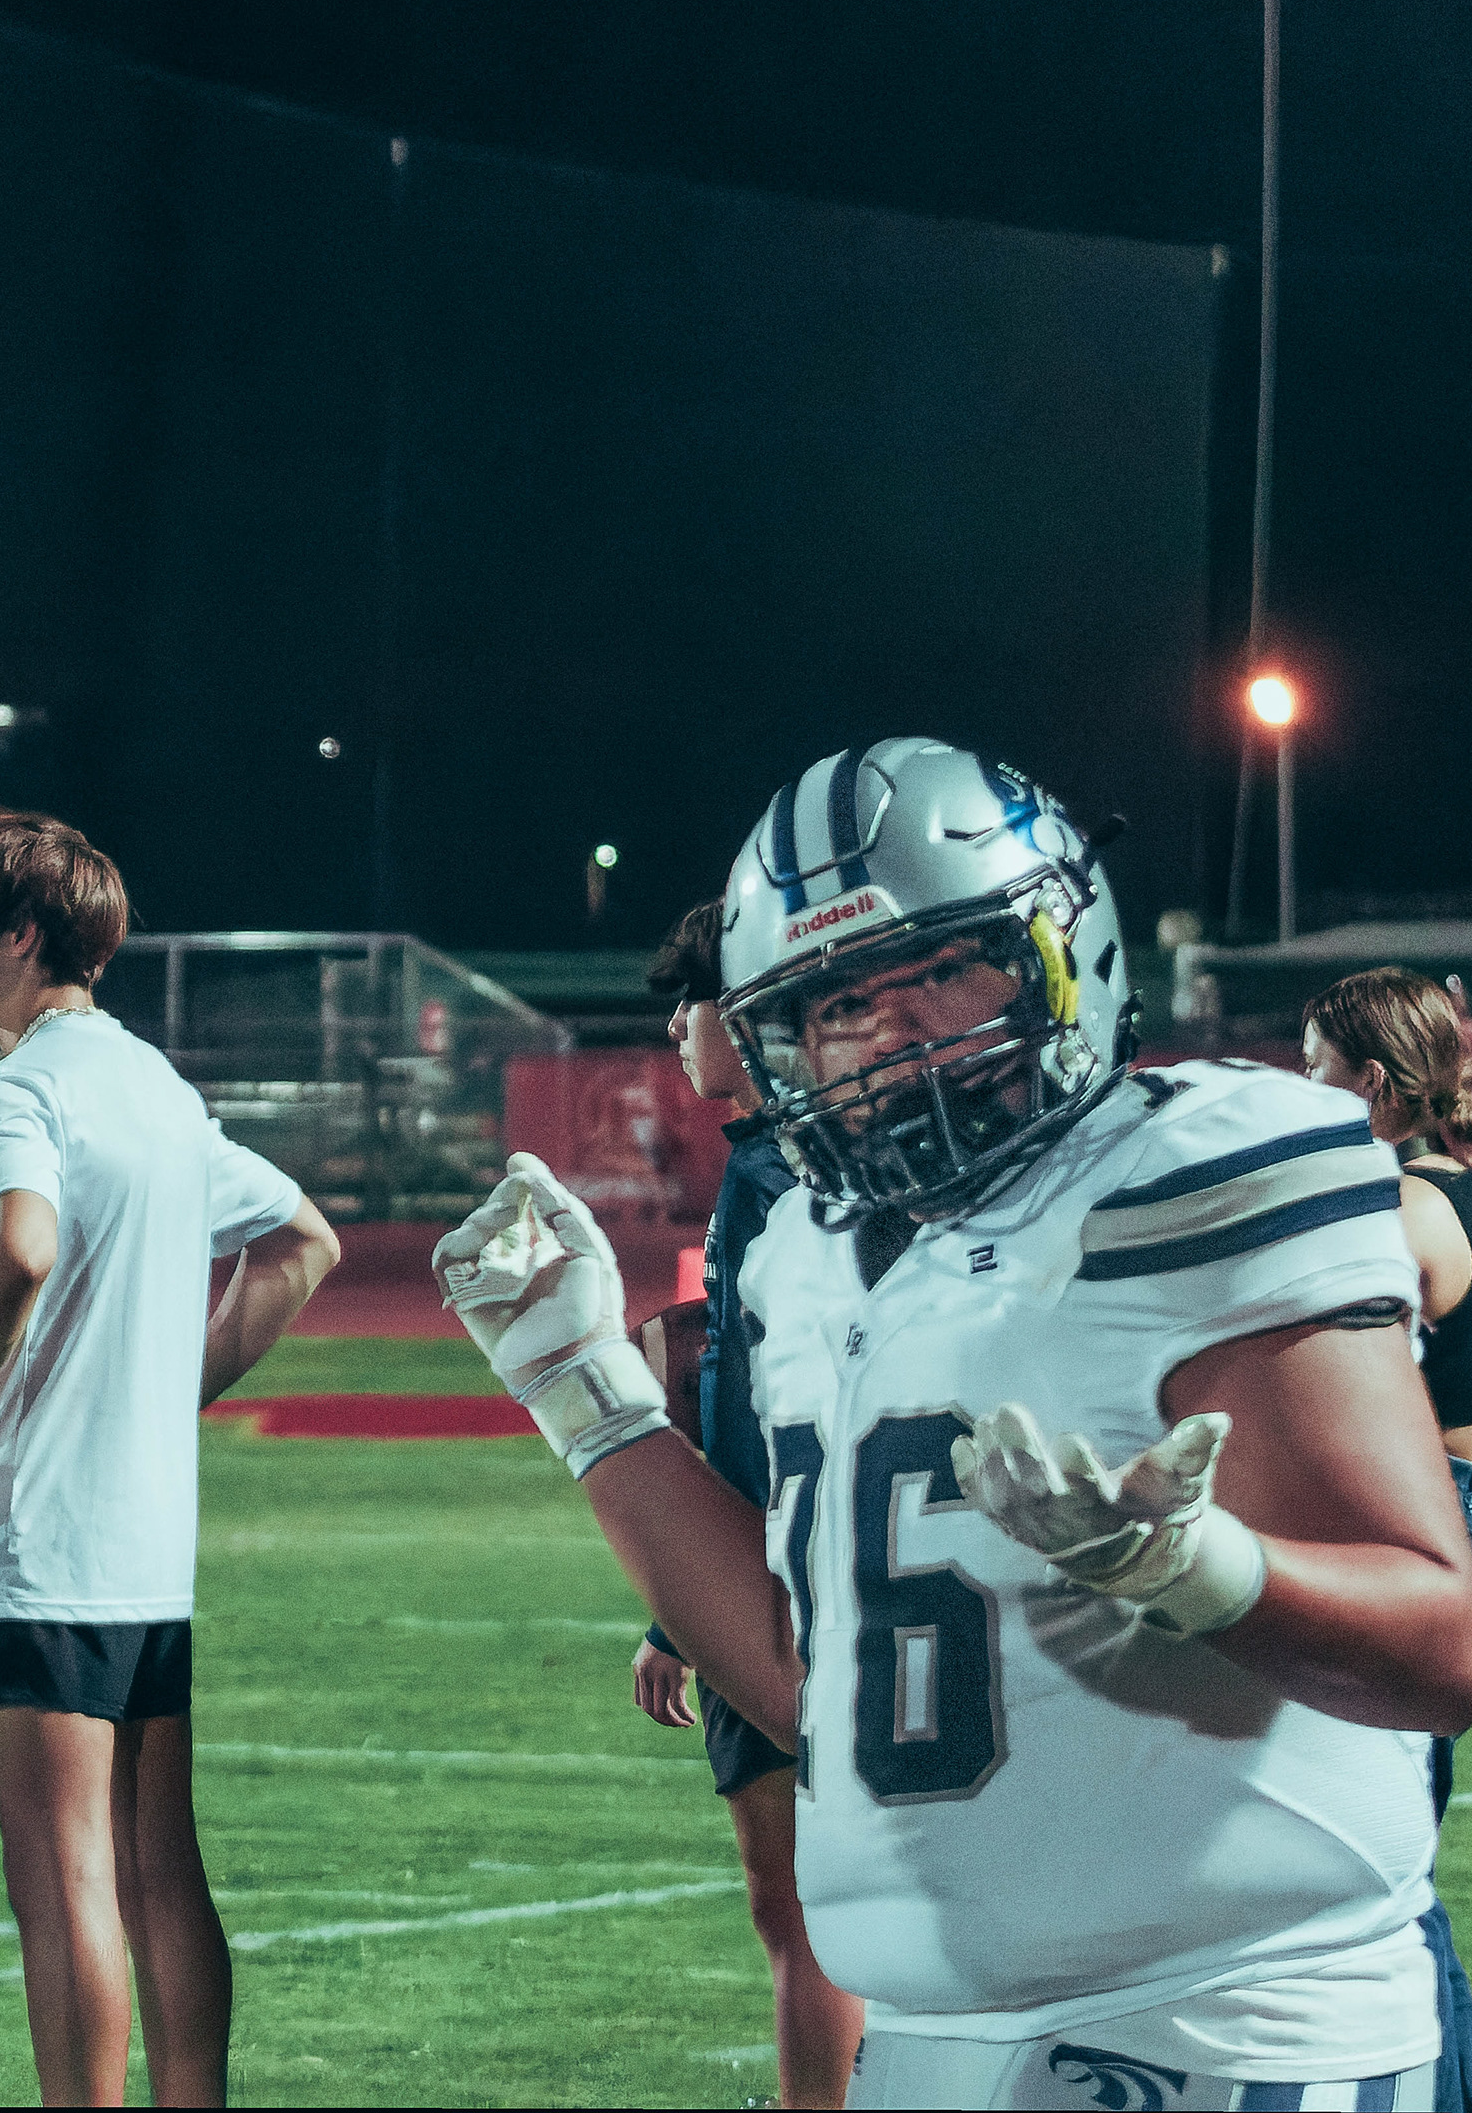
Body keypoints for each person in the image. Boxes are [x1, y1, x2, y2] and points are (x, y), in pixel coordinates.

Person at [444, 737, 1472, 2108]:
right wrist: (578, 1380)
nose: (889, 1034)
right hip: (925, 2041)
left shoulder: (1205, 1163)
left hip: (1234, 2032)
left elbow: (1441, 1652)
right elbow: (809, 1686)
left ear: (1061, 950)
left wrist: (1192, 1567)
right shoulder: (807, 1250)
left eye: (942, 970)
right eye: (836, 1002)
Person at [0, 807, 345, 2107]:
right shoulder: (155, 1086)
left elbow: (20, 1248)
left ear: (20, 936)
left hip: (46, 1541)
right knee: (159, 1872)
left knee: (64, 1881)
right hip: (147, 1547)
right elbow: (302, 1244)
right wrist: (162, 1396)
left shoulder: (14, 1090)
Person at [624, 899, 863, 2107]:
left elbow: (759, 1414)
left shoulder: (778, 1170)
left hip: (778, 1580)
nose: (677, 1025)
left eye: (694, 998)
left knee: (800, 1909)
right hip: (836, 1563)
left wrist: (684, 1606)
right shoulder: (818, 1157)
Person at [1300, 967, 1472, 2113]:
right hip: (1459, 1534)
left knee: (1369, 1884)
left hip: (1404, 1543)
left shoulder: (1400, 1213)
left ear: (1377, 1084)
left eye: (1317, 1069)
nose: (1303, 1089)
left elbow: (1330, 1394)